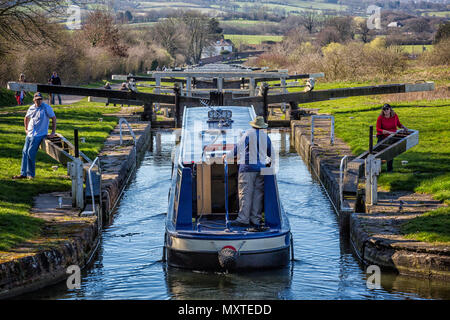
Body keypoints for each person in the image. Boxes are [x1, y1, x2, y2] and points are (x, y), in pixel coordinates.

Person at [224, 116, 273, 228]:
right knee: (257, 195)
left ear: (253, 125)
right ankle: (255, 220)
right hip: (261, 169)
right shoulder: (266, 137)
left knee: (245, 193)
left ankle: (243, 219)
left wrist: (226, 157)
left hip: (247, 169)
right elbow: (270, 154)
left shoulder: (247, 134)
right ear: (262, 127)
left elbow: (237, 149)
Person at [13, 92, 57, 180]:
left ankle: (31, 174)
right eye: (37, 100)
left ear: (42, 100)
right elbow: (26, 118)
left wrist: (53, 132)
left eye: (40, 99)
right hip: (29, 134)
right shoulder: (31, 107)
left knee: (30, 152)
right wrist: (26, 129)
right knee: (24, 152)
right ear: (34, 100)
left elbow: (54, 118)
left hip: (39, 134)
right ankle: (23, 173)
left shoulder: (46, 107)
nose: (39, 101)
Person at [376, 104, 408, 172]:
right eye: (384, 109)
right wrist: (385, 131)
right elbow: (378, 129)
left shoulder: (394, 115)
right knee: (378, 152)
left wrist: (403, 127)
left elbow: (398, 124)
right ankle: (377, 169)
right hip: (382, 136)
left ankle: (389, 169)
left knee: (390, 152)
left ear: (390, 109)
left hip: (392, 136)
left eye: (387, 109)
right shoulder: (380, 117)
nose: (386, 111)